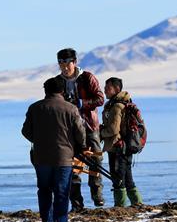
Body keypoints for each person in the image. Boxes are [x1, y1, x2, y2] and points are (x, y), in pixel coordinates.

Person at [21, 77, 86, 222]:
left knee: (44, 190)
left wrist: (39, 141)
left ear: (45, 90)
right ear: (62, 91)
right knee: (62, 192)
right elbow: (80, 133)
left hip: (41, 158)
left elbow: (26, 131)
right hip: (64, 157)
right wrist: (79, 147)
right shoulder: (70, 109)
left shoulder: (35, 108)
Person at [54, 48, 105, 209]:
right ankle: (77, 203)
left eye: (66, 62)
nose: (63, 67)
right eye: (60, 63)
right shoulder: (57, 81)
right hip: (69, 129)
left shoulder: (87, 78)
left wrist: (82, 103)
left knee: (95, 159)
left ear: (74, 62)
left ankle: (97, 194)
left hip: (89, 125)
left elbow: (100, 98)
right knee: (72, 164)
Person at [100, 77, 143, 207]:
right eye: (105, 88)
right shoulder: (118, 104)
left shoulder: (117, 106)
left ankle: (120, 207)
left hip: (118, 147)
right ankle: (138, 205)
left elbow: (113, 129)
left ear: (117, 89)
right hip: (124, 147)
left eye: (108, 88)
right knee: (128, 179)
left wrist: (99, 133)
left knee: (118, 179)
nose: (105, 91)